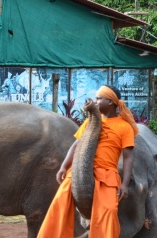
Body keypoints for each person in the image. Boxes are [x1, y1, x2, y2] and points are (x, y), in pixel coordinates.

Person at [37, 85, 139, 238]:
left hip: (107, 176)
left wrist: (125, 184)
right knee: (59, 203)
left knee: (109, 211)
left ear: (110, 101)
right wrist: (64, 167)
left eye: (99, 98)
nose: (96, 101)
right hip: (79, 172)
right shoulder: (90, 122)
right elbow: (76, 145)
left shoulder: (124, 127)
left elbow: (128, 157)